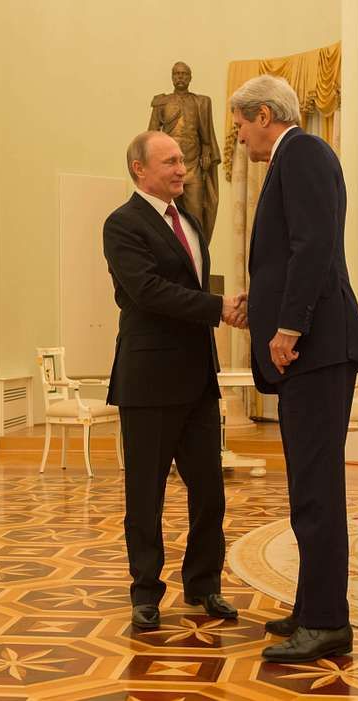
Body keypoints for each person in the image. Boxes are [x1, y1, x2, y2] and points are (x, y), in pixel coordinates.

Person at [231, 75, 358, 663]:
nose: (238, 138)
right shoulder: (291, 158)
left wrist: (287, 326)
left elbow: (313, 247)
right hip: (311, 351)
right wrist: (256, 305)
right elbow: (286, 256)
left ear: (264, 114)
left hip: (315, 349)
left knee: (316, 491)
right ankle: (312, 605)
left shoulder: (305, 152)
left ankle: (326, 622)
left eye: (240, 125)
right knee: (306, 488)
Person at [102, 130, 246, 632]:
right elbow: (147, 292)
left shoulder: (189, 220)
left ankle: (204, 585)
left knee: (209, 491)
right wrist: (218, 309)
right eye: (170, 162)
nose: (182, 169)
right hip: (148, 381)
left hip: (197, 380)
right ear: (140, 169)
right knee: (146, 494)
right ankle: (145, 592)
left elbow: (188, 286)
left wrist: (226, 304)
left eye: (183, 160)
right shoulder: (122, 224)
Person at [148, 62, 221, 243]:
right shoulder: (161, 102)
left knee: (196, 212)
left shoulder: (201, 102)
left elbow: (206, 133)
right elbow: (151, 135)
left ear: (190, 77)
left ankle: (197, 253)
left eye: (184, 74)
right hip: (168, 166)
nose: (180, 77)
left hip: (193, 165)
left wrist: (206, 152)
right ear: (172, 77)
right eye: (177, 74)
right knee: (166, 211)